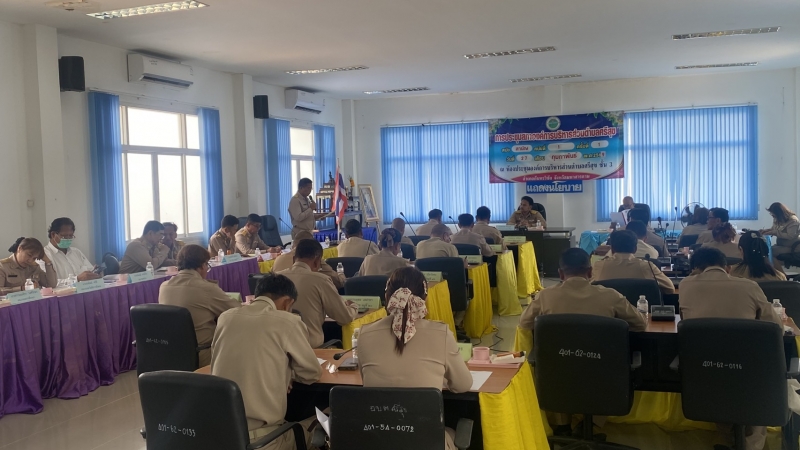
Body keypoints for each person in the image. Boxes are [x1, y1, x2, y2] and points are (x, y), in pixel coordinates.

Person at [679, 247, 782, 450]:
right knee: (756, 383)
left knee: (721, 390)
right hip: (748, 366)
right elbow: (774, 325)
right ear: (727, 267)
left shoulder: (685, 285)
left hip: (703, 364)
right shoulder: (749, 286)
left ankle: (730, 440)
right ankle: (751, 445)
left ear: (695, 269)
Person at [358, 267, 472, 450]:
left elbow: (368, 383)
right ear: (424, 298)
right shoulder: (441, 333)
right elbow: (463, 385)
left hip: (378, 439)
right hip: (426, 440)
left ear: (387, 297)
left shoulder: (365, 334)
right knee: (451, 431)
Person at [211, 274, 322, 449]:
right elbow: (311, 373)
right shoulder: (287, 321)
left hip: (221, 436)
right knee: (324, 422)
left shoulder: (225, 317)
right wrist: (288, 374)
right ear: (287, 302)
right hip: (264, 441)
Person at [158, 244, 240, 366]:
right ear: (202, 265)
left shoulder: (164, 286)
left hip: (172, 351)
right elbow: (237, 311)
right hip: (202, 351)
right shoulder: (205, 288)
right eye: (207, 265)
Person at [277, 239, 358, 348]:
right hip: (311, 349)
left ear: (293, 259)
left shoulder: (276, 278)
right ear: (317, 262)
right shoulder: (320, 280)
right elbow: (345, 317)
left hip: (280, 348)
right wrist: (353, 306)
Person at [592, 230, 675, 294]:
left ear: (612, 249)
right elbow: (670, 288)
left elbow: (588, 287)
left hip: (608, 310)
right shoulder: (647, 266)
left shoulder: (599, 265)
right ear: (635, 249)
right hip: (641, 310)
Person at [272, 231, 345, 289]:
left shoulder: (278, 259)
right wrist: (340, 273)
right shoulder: (313, 260)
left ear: (293, 243)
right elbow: (338, 282)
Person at [761, 202, 800, 272]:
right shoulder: (777, 219)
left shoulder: (793, 220)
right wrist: (765, 231)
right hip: (781, 245)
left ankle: (780, 275)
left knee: (770, 252)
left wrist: (774, 232)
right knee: (765, 250)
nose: (772, 216)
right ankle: (775, 272)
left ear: (779, 214)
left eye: (773, 214)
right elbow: (774, 229)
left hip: (792, 247)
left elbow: (790, 236)